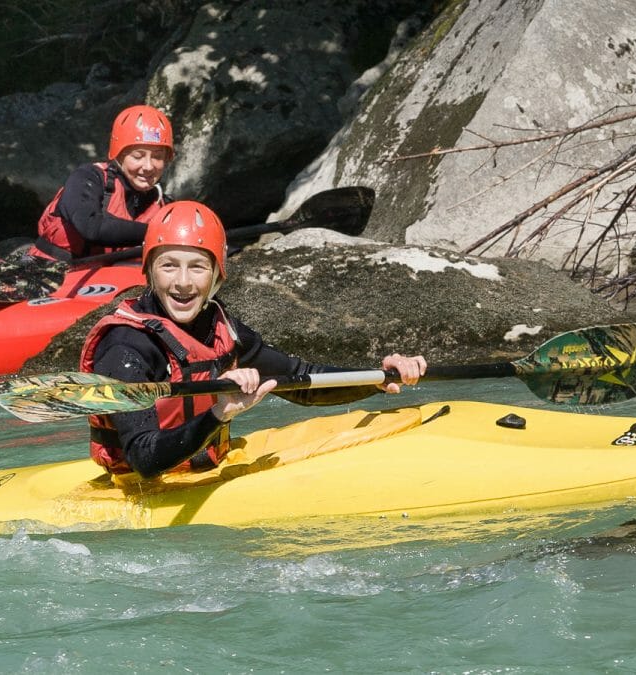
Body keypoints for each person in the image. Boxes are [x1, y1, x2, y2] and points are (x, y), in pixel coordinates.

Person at [79, 200, 428, 478]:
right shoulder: (125, 345)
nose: (183, 282)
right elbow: (144, 457)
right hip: (147, 485)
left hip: (204, 468)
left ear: (217, 273)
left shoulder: (221, 327)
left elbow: (300, 379)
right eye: (169, 265)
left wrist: (378, 378)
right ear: (150, 270)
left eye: (197, 267)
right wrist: (218, 414)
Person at [28, 104, 174, 261]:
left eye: (157, 157)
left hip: (111, 279)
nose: (148, 166)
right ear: (119, 156)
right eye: (138, 156)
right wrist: (160, 232)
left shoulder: (164, 206)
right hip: (52, 270)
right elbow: (90, 227)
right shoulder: (88, 178)